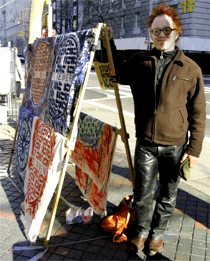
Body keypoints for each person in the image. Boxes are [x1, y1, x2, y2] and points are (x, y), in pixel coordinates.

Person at [106, 3, 206, 256]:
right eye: (155, 31)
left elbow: (198, 115)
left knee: (168, 194)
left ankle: (157, 236)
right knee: (142, 193)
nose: (161, 36)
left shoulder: (191, 69)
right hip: (146, 143)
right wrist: (107, 43)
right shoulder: (139, 62)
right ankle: (141, 232)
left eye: (166, 30)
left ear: (177, 32)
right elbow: (113, 71)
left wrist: (193, 151)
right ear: (149, 34)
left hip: (176, 146)